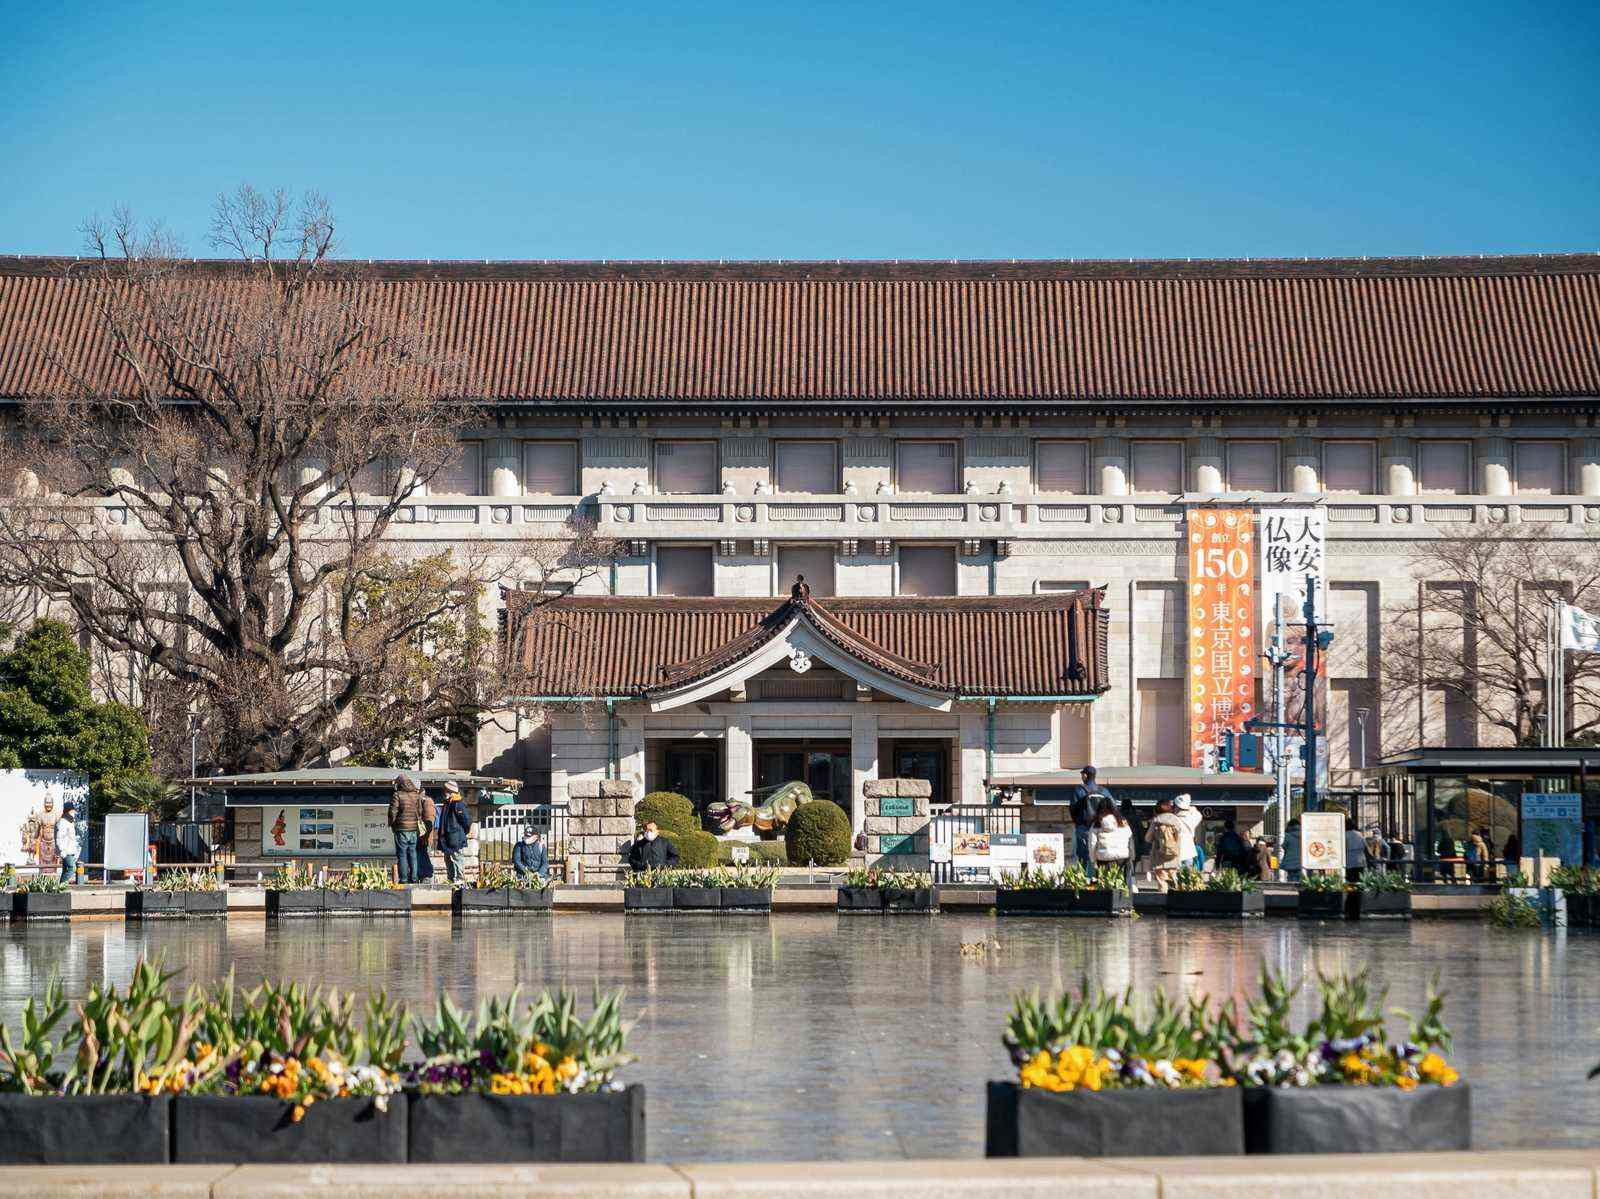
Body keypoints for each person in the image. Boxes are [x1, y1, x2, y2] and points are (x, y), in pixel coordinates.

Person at [1069, 766, 1110, 869]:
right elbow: (1112, 807)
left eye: (1082, 774)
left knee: (1083, 856)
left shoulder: (1079, 790)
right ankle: (1098, 879)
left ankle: (1084, 879)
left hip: (1084, 828)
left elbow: (1073, 810)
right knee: (1100, 855)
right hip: (1101, 829)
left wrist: (1077, 822)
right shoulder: (1103, 791)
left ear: (1085, 775)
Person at [387, 774, 425, 884]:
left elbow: (392, 812)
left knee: (402, 854)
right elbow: (420, 811)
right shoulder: (416, 795)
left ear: (399, 784)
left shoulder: (397, 795)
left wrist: (391, 824)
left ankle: (403, 879)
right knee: (413, 853)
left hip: (401, 829)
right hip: (413, 830)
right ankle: (414, 878)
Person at [1088, 797, 1133, 888]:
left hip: (1104, 859)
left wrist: (1093, 860)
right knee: (1122, 885)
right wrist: (1131, 856)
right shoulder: (1122, 822)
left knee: (1105, 886)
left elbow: (1092, 844)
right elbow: (1130, 839)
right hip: (1123, 858)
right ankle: (1123, 901)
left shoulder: (1097, 824)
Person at [1147, 798, 1187, 892]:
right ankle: (1175, 902)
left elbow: (1148, 838)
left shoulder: (1156, 821)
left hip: (1159, 857)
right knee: (1174, 882)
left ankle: (1163, 902)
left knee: (1162, 883)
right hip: (1174, 856)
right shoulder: (1176, 820)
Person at [438, 781, 473, 883]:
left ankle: (460, 879)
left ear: (450, 791)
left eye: (446, 790)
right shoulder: (447, 803)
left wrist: (461, 833)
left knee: (457, 858)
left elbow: (466, 821)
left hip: (455, 837)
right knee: (448, 859)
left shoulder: (458, 803)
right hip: (447, 837)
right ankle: (451, 879)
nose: (444, 792)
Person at [1173, 794, 1202, 869]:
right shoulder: (1193, 818)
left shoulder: (1172, 819)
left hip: (1175, 854)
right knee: (1187, 878)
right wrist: (1189, 808)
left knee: (1175, 879)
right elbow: (1198, 813)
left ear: (1177, 807)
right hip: (1189, 853)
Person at [55, 801, 80, 885]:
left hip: (70, 850)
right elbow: (59, 837)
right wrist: (62, 850)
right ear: (68, 811)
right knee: (72, 868)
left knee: (65, 870)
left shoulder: (70, 821)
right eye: (72, 811)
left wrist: (75, 851)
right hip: (66, 851)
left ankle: (61, 888)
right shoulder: (63, 822)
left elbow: (72, 838)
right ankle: (61, 885)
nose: (74, 812)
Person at [1344, 812, 1370, 882]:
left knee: (1350, 882)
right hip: (1360, 861)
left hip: (1349, 861)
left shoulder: (1344, 835)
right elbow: (1366, 847)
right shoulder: (1359, 834)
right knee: (1360, 881)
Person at [1281, 818, 1302, 882]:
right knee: (1301, 877)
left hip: (1290, 862)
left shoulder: (1288, 835)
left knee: (1291, 877)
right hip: (1302, 861)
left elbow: (1284, 846)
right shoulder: (1304, 834)